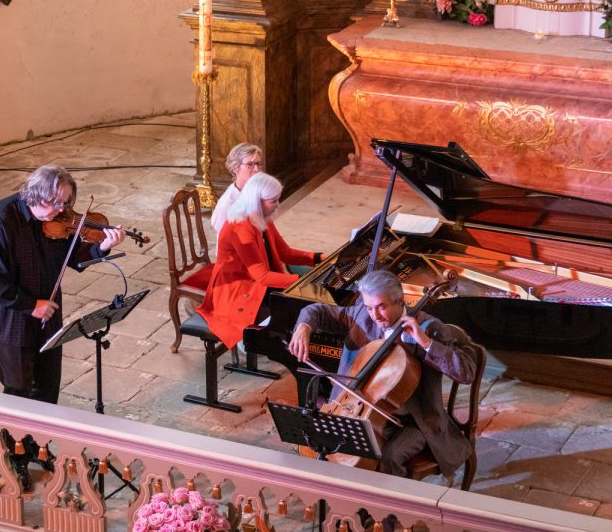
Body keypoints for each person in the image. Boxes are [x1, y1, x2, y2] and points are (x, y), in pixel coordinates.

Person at [0, 165, 125, 489]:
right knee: (18, 390)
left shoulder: (57, 221)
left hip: (49, 314)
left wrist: (101, 247)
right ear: (34, 196)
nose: (62, 211)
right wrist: (31, 305)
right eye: (56, 203)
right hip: (13, 318)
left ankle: (36, 447)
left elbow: (73, 256)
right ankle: (13, 458)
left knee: (47, 388)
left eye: (66, 203)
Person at [288, 269, 480, 482]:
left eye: (381, 307)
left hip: (411, 421)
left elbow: (466, 372)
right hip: (358, 410)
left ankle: (389, 503)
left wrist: (426, 343)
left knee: (389, 458)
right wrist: (304, 327)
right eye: (369, 307)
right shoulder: (362, 316)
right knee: (318, 445)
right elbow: (317, 311)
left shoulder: (429, 328)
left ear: (400, 301)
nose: (375, 316)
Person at [197, 172, 324, 350]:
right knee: (298, 307)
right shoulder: (240, 228)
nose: (277, 205)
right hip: (238, 290)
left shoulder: (261, 217)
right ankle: (257, 342)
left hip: (256, 283)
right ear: (256, 201)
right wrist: (301, 282)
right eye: (273, 201)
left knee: (308, 301)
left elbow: (284, 253)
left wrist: (317, 258)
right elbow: (262, 276)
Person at [210, 143, 263, 235]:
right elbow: (222, 234)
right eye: (250, 164)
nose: (256, 169)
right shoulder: (227, 205)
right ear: (235, 168)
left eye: (258, 164)